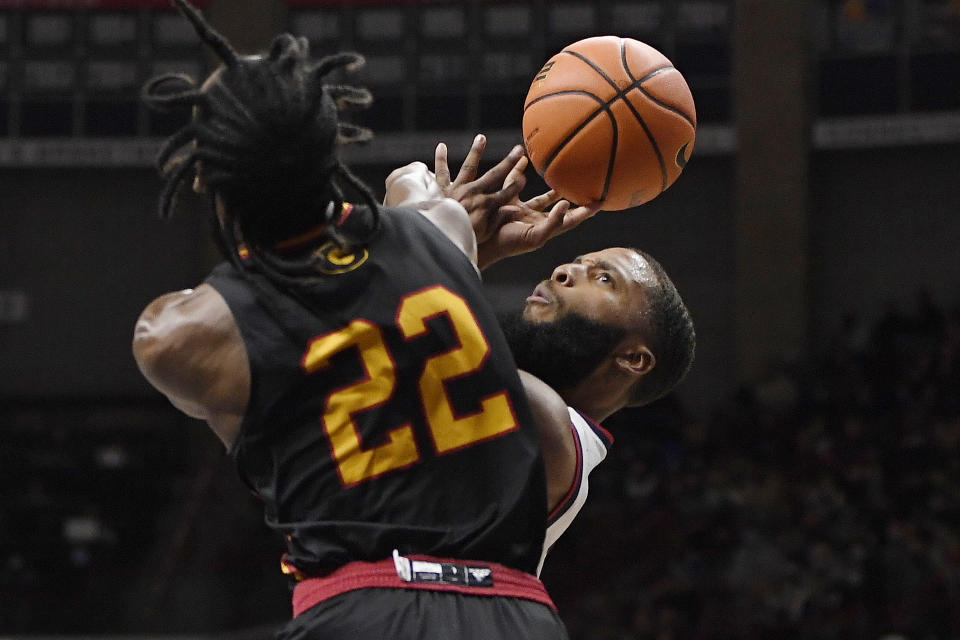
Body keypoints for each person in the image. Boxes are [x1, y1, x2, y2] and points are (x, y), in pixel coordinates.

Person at [132, 2, 572, 638]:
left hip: (366, 606)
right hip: (519, 610)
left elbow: (189, 325)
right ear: (335, 140)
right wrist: (450, 265)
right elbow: (415, 187)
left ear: (202, 174)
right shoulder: (439, 229)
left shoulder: (185, 334)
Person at [387, 141, 696, 574]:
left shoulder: (551, 431)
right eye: (575, 263)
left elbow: (403, 316)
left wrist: (447, 231)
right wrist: (462, 246)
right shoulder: (517, 403)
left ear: (634, 359)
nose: (563, 272)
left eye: (604, 279)